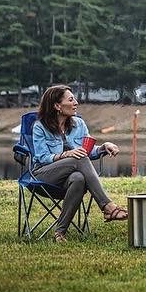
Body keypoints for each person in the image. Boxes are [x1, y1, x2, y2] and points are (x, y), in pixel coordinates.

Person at [29, 84, 127, 241]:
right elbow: (42, 157)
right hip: (43, 175)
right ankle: (107, 206)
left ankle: (60, 232)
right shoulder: (40, 127)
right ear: (57, 106)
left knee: (78, 178)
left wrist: (103, 147)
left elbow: (87, 152)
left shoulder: (79, 124)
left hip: (68, 178)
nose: (76, 103)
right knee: (78, 158)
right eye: (70, 100)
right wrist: (66, 154)